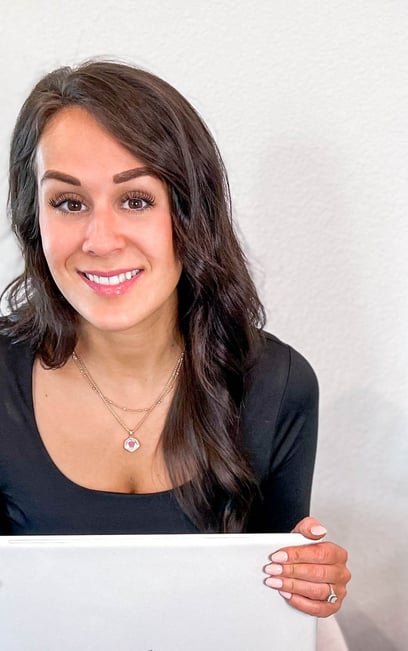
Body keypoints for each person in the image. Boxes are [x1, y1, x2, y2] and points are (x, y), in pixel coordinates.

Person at [0, 59, 350, 617]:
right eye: (69, 202)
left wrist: (311, 587)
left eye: (135, 200)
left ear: (190, 214)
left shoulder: (277, 385)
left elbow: (270, 610)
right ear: (32, 217)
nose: (100, 239)